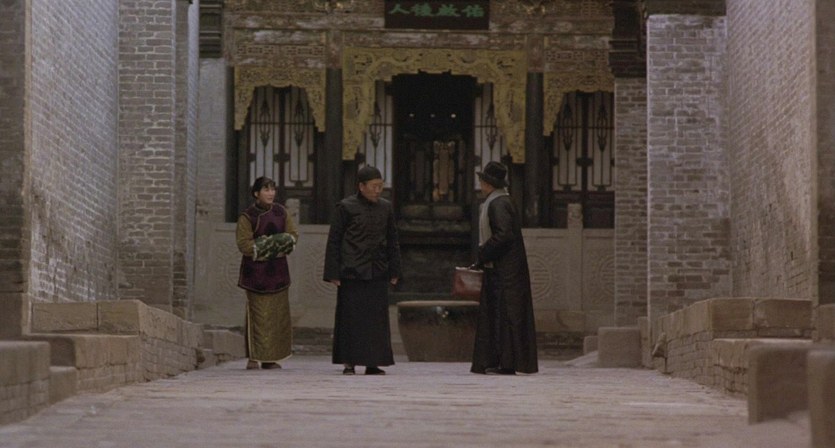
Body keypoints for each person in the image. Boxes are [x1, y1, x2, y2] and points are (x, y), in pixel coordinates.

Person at [324, 166, 402, 375]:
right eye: (374, 186)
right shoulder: (346, 207)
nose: (377, 191)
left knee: (375, 320)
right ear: (361, 186)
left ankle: (373, 362)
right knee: (351, 319)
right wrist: (333, 273)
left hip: (377, 270)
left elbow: (392, 240)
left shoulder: (385, 207)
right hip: (352, 271)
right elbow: (334, 241)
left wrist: (395, 270)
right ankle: (349, 361)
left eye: (380, 186)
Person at [470, 161, 539, 375]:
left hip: (505, 272)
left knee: (506, 316)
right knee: (500, 315)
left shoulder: (498, 203)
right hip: (502, 269)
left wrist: (483, 253)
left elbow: (503, 236)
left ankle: (508, 363)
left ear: (488, 183)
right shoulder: (500, 201)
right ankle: (501, 361)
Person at [236, 176, 298, 370]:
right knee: (258, 316)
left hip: (278, 272)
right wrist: (275, 244)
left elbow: (292, 236)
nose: (271, 193)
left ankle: (271, 358)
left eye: (273, 189)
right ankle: (254, 357)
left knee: (277, 317)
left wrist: (268, 244)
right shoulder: (248, 217)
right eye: (266, 189)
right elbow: (244, 245)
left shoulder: (281, 212)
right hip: (256, 274)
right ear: (256, 193)